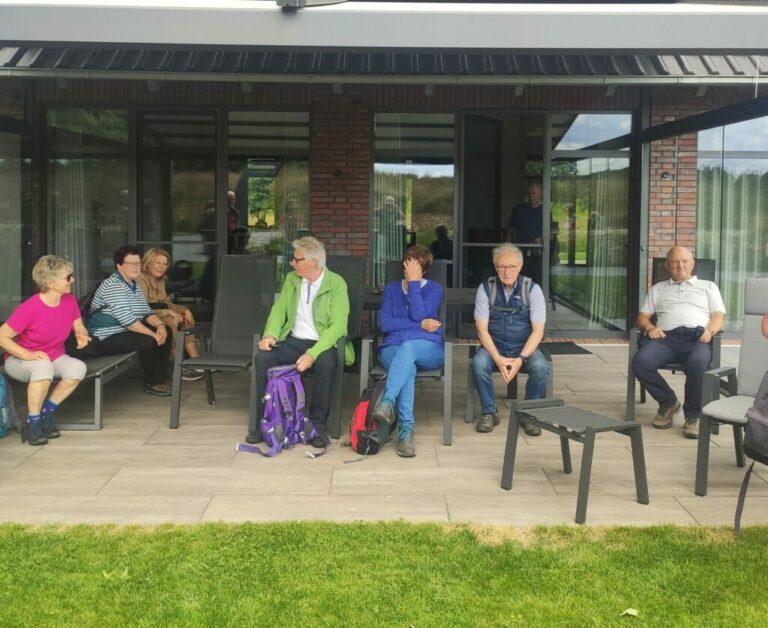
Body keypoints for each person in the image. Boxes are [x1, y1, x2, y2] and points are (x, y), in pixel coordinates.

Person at [245, 236, 350, 447]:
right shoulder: (292, 280)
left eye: (296, 259)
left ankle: (318, 426)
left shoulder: (336, 283)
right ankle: (265, 422)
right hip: (294, 340)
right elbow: (279, 310)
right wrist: (270, 335)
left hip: (323, 343)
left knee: (327, 364)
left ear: (313, 261)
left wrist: (312, 354)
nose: (292, 263)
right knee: (263, 358)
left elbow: (338, 327)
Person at [631, 246, 726, 439]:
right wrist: (649, 327)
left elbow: (718, 315)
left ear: (692, 264)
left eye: (684, 261)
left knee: (698, 363)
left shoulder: (708, 287)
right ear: (667, 266)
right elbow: (642, 317)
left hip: (697, 338)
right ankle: (668, 402)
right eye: (675, 262)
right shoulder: (658, 289)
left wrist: (710, 331)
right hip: (664, 339)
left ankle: (693, 415)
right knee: (640, 362)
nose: (680, 265)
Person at [0, 255, 90, 445]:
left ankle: (45, 414)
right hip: (19, 360)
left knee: (78, 368)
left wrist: (82, 335)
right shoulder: (29, 308)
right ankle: (32, 423)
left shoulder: (69, 300)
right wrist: (28, 354)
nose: (72, 280)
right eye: (68, 277)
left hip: (52, 356)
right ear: (50, 282)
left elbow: (79, 326)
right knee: (42, 367)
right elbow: (2, 336)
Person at [369, 245, 445, 458]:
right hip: (392, 348)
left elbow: (419, 312)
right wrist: (419, 326)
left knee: (408, 348)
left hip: (427, 348)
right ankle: (406, 433)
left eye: (415, 266)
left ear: (424, 269)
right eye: (407, 264)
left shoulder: (434, 289)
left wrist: (414, 284)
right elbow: (385, 324)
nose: (408, 268)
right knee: (407, 367)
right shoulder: (391, 289)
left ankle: (387, 402)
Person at [471, 243, 550, 436]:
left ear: (520, 266)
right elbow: (481, 329)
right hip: (494, 345)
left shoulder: (532, 289)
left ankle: (528, 413)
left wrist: (521, 359)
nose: (506, 272)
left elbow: (538, 331)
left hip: (524, 346)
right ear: (495, 266)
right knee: (478, 363)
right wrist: (497, 358)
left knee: (540, 367)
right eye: (501, 267)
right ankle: (489, 412)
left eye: (511, 267)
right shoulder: (486, 288)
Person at [82, 245, 173, 397]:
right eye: (131, 264)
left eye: (138, 263)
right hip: (105, 337)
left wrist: (160, 325)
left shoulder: (133, 284)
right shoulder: (113, 285)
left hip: (124, 331)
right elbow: (128, 321)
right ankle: (152, 383)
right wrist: (153, 335)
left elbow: (146, 312)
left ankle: (162, 377)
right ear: (119, 266)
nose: (136, 267)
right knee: (148, 340)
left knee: (166, 331)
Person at [136, 248, 203, 381]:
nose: (162, 267)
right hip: (142, 319)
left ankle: (196, 363)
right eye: (158, 263)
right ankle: (180, 368)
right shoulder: (140, 279)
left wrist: (184, 310)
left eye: (164, 264)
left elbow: (166, 302)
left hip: (157, 314)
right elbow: (142, 308)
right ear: (148, 263)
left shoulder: (160, 279)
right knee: (170, 321)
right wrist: (168, 312)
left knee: (185, 320)